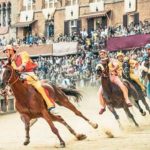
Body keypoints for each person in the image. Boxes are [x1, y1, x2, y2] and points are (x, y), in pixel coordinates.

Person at [3, 44, 57, 114]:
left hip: (29, 74)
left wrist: (17, 69)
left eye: (6, 51)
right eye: (5, 52)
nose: (6, 53)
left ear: (11, 51)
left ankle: (50, 106)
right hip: (20, 76)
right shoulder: (11, 62)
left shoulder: (23, 54)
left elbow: (23, 65)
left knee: (40, 88)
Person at [98, 50, 132, 115]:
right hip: (106, 79)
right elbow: (98, 70)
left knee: (122, 86)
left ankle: (127, 100)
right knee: (99, 93)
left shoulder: (111, 60)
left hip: (114, 77)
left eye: (103, 54)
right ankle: (102, 107)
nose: (102, 55)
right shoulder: (100, 62)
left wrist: (112, 70)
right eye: (101, 54)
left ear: (106, 54)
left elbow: (117, 66)